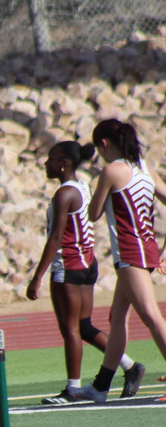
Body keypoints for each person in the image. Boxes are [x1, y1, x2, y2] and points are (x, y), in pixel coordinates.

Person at [26, 141, 144, 404]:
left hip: (67, 266)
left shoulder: (63, 194)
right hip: (87, 264)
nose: (46, 163)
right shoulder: (82, 186)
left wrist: (37, 277)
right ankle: (130, 365)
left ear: (64, 164)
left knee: (70, 329)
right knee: (84, 326)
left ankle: (72, 389)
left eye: (51, 158)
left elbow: (56, 237)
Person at [70, 120, 166, 403]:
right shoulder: (144, 167)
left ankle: (101, 386)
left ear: (104, 144)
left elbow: (93, 213)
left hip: (128, 252)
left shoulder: (111, 171)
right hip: (144, 249)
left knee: (150, 314)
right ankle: (101, 386)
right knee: (118, 318)